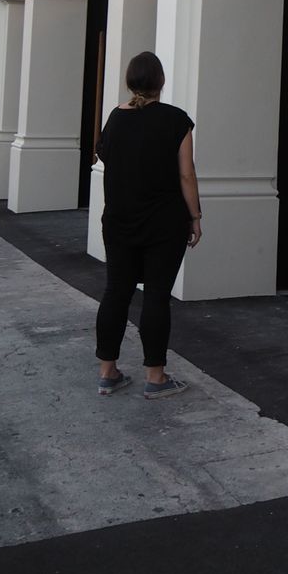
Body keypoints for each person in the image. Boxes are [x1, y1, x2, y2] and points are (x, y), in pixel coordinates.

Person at [93, 50, 202, 400]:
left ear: (129, 82)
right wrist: (195, 216)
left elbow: (104, 155)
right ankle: (156, 377)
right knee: (156, 295)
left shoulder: (114, 119)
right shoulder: (176, 120)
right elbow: (186, 173)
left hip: (119, 221)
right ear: (161, 83)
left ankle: (108, 372)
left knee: (116, 292)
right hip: (164, 223)